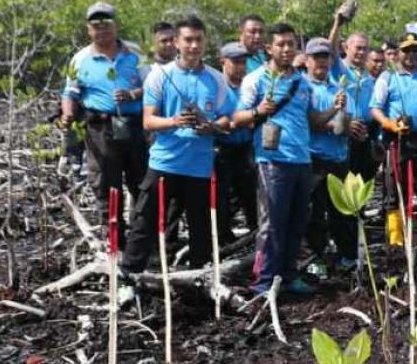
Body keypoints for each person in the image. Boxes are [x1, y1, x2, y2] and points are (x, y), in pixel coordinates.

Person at [119, 15, 234, 276]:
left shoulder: (216, 79)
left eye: (199, 40)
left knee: (201, 228)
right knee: (144, 221)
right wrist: (174, 121)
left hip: (200, 167)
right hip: (165, 162)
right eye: (188, 40)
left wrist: (212, 126)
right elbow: (148, 121)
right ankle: (130, 276)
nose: (194, 46)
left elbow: (228, 119)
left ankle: (199, 278)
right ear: (177, 43)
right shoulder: (160, 76)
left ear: (205, 42)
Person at [234, 22, 341, 294]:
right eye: (280, 44)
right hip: (272, 161)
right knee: (272, 224)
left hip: (302, 161)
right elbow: (238, 118)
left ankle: (289, 276)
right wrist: (258, 110)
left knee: (297, 221)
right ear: (269, 48)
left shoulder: (302, 83)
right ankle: (264, 282)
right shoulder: (255, 79)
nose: (285, 49)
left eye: (290, 44)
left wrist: (334, 109)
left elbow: (312, 121)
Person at [60, 1, 147, 246]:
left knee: (140, 184)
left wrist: (132, 95)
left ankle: (141, 244)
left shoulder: (135, 54)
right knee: (107, 188)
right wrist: (68, 115)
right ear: (89, 29)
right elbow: (70, 93)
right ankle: (115, 244)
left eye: (106, 23)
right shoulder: (79, 59)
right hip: (99, 129)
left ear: (116, 26)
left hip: (134, 127)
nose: (102, 29)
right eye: (96, 25)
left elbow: (152, 87)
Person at [371, 32, 417, 246]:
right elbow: (375, 108)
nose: (411, 54)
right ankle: (396, 237)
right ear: (398, 53)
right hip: (398, 137)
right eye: (406, 50)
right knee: (395, 185)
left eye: (415, 50)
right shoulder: (388, 77)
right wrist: (388, 124)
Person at [302, 37, 360, 271]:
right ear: (306, 60)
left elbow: (346, 124)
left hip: (338, 159)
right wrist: (332, 119)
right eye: (316, 58)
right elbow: (307, 122)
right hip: (313, 159)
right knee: (314, 215)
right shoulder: (302, 88)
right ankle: (315, 263)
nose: (322, 63)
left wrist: (352, 128)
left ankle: (349, 259)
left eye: (325, 58)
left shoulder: (340, 89)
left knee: (343, 213)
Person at [328, 2, 386, 183]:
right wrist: (338, 23)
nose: (362, 52)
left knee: (363, 182)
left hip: (367, 132)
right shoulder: (340, 68)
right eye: (358, 48)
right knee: (345, 182)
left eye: (365, 48)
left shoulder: (370, 76)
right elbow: (330, 50)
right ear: (346, 47)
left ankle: (359, 211)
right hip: (345, 129)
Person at [214, 42, 258, 244]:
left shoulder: (249, 86)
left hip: (246, 148)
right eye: (236, 62)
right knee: (222, 198)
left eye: (243, 62)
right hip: (222, 148)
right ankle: (222, 239)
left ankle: (255, 235)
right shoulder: (215, 86)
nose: (241, 67)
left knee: (250, 195)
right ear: (223, 62)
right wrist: (231, 124)